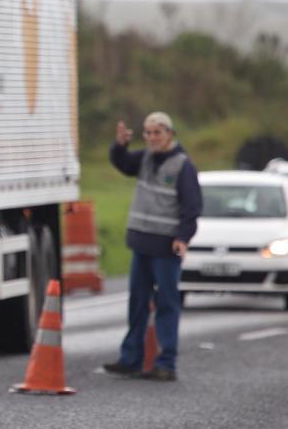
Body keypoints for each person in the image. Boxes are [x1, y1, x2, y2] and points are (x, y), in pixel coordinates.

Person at [102, 111, 202, 382]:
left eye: (157, 132)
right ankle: (131, 359)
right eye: (148, 133)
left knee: (167, 304)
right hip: (141, 243)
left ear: (170, 134)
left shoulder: (182, 166)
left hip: (165, 249)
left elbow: (192, 207)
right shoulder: (144, 158)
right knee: (137, 303)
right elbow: (122, 163)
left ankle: (166, 363)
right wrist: (120, 145)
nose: (152, 138)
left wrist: (183, 236)